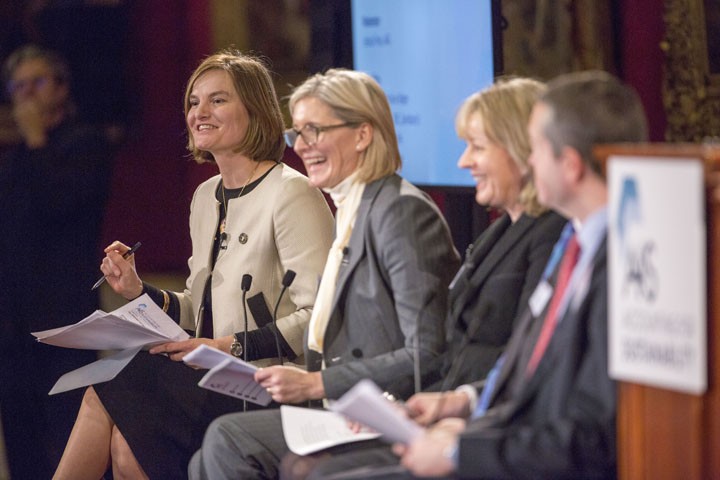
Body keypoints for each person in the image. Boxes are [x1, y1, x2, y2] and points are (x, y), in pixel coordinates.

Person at [298, 70, 649, 480]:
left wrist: (462, 448)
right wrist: (459, 404)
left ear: (569, 165)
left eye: (534, 149)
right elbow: (524, 370)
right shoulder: (572, 244)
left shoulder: (616, 262)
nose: (529, 162)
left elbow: (592, 436)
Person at [52, 50, 335, 479]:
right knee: (126, 449)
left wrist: (227, 347)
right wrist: (137, 291)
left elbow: (320, 320)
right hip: (214, 376)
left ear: (254, 109)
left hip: (274, 384)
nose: (200, 112)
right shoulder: (206, 197)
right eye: (193, 102)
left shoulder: (292, 194)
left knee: (109, 384)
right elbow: (197, 308)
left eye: (218, 100)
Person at [188, 68, 460, 479]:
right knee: (206, 457)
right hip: (335, 401)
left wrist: (317, 386)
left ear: (363, 135)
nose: (303, 147)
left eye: (316, 131)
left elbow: (427, 354)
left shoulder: (401, 212)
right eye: (298, 133)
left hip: (384, 408)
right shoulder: (352, 208)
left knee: (228, 440)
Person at [0, 44, 114, 479]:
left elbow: (57, 202)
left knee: (72, 434)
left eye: (39, 83)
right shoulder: (15, 161)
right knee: (22, 442)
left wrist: (35, 139)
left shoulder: (86, 143)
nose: (27, 95)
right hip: (12, 327)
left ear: (62, 88)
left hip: (65, 320)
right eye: (18, 86)